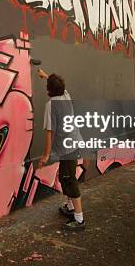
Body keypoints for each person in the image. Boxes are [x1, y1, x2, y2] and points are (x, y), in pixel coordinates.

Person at [36, 67, 85, 230]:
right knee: (65, 177)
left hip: (67, 149)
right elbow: (57, 84)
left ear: (49, 90)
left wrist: (45, 155)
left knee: (70, 180)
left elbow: (50, 132)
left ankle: (79, 220)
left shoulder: (51, 105)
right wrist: (46, 76)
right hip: (75, 144)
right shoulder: (66, 95)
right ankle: (70, 208)